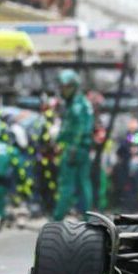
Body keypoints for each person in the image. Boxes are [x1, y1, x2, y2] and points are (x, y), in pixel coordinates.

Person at [52, 70, 93, 220]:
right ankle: (87, 216)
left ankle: (57, 218)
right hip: (82, 149)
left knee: (66, 184)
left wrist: (72, 147)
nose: (62, 91)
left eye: (64, 87)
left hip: (73, 149)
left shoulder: (77, 106)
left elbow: (78, 128)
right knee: (83, 183)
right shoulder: (81, 103)